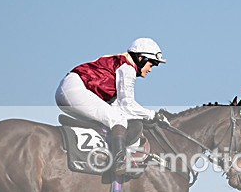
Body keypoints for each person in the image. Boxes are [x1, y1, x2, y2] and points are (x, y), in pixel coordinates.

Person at [55, 37, 167, 177]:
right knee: (118, 119)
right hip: (74, 89)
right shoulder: (127, 68)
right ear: (140, 58)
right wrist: (153, 115)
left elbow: (118, 105)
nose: (151, 69)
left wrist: (143, 116)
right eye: (152, 64)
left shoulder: (120, 63)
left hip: (71, 88)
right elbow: (127, 105)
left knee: (113, 117)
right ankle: (119, 162)